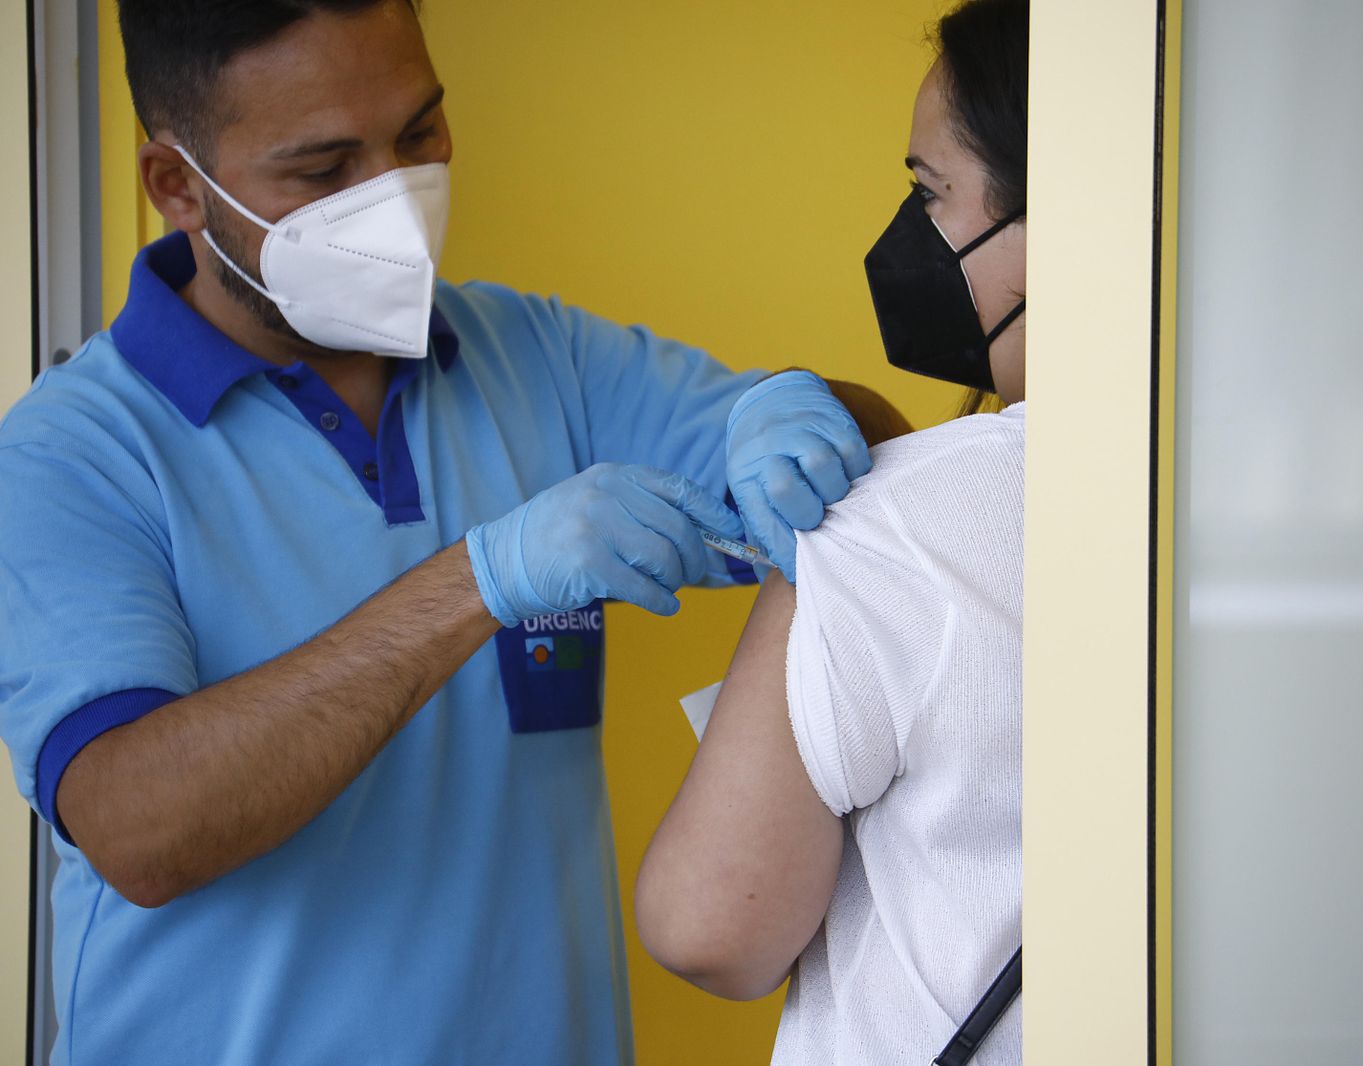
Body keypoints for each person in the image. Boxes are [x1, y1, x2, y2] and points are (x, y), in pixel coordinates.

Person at [0, 1, 907, 1062]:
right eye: (325, 167)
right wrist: (480, 582)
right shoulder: (70, 454)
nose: (394, 197)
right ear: (175, 185)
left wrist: (798, 413)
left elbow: (879, 481)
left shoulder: (536, 355)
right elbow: (140, 830)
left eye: (419, 132)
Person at [634, 0, 1026, 1062]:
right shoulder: (1266, 492)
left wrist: (820, 539)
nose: (914, 233)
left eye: (930, 192)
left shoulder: (893, 524)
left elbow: (708, 924)